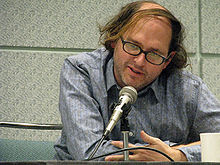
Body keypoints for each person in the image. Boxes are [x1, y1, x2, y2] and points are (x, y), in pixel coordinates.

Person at [54, 0, 220, 162]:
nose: (140, 62)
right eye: (133, 46)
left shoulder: (188, 88)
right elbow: (89, 153)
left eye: (154, 54)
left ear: (167, 60)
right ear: (114, 39)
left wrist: (179, 155)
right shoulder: (82, 71)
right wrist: (163, 153)